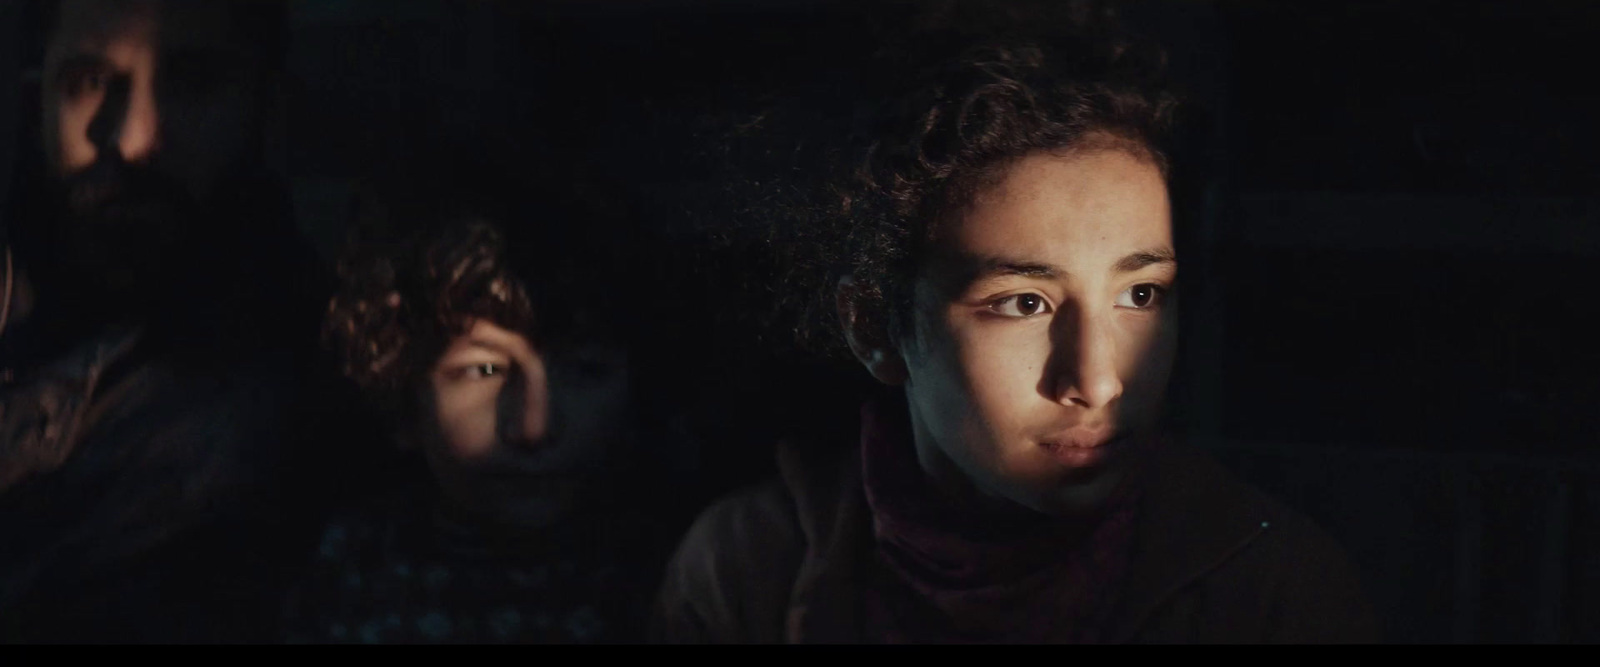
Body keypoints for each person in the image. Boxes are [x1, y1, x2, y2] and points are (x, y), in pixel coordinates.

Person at [654, 4, 1380, 644]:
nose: (1098, 380)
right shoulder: (746, 573)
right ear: (874, 324)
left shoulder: (1274, 592)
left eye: (1142, 294)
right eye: (1024, 303)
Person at [0, 0, 342, 641]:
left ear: (267, 111)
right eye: (89, 84)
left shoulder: (308, 388)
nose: (130, 140)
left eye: (194, 84)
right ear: (35, 100)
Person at [283, 168, 681, 644]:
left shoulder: (683, 577)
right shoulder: (352, 565)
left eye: (587, 371)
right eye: (484, 371)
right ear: (404, 395)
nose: (534, 426)